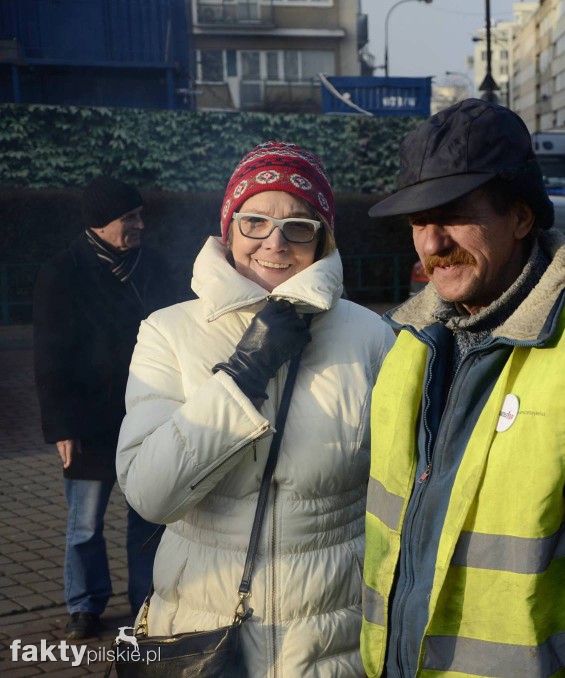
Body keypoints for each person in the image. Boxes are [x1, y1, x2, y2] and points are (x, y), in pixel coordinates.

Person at [360, 99, 565, 677]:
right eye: (417, 222)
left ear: (523, 217)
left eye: (453, 215)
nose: (431, 244)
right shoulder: (411, 337)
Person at [116, 142, 395, 675]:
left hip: (332, 641)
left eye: (298, 227)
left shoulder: (370, 336)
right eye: (255, 222)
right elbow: (151, 495)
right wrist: (242, 377)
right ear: (229, 228)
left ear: (322, 238)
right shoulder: (168, 332)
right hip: (202, 630)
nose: (275, 242)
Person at [33, 177, 177, 639]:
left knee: (148, 519)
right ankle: (84, 605)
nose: (140, 224)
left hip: (148, 415)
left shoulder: (154, 267)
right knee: (85, 523)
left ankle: (145, 603)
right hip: (89, 423)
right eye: (129, 218)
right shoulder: (62, 272)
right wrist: (61, 427)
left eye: (139, 214)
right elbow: (49, 356)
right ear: (100, 223)